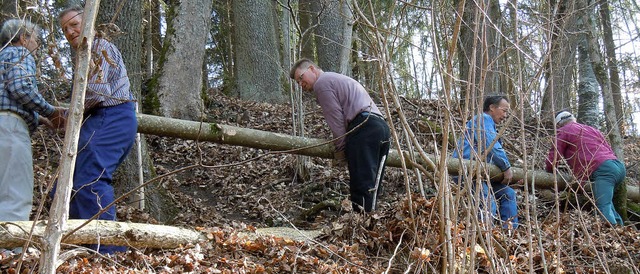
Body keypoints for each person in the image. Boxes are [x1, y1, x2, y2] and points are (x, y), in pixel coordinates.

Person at [56, 6, 137, 253]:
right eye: (65, 29)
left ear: (88, 21)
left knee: (90, 177)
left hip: (112, 115)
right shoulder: (85, 53)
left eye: (74, 24)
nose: (70, 32)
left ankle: (107, 250)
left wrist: (65, 116)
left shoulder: (98, 47)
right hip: (102, 118)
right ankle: (84, 244)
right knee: (69, 181)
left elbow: (95, 93)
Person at [290, 58, 391, 212]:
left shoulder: (322, 83)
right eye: (297, 82)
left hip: (364, 128)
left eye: (301, 78)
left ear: (312, 69)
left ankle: (361, 228)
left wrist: (341, 150)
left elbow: (336, 120)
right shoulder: (335, 79)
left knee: (361, 184)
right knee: (373, 186)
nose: (300, 84)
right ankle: (371, 225)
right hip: (381, 126)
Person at [0, 18, 65, 255]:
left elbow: (6, 96)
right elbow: (20, 88)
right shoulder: (20, 54)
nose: (37, 45)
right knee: (14, 193)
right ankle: (8, 255)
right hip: (9, 129)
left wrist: (39, 119)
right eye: (35, 39)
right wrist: (51, 112)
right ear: (23, 38)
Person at [546, 111, 625, 225]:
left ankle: (613, 235)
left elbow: (555, 155)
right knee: (607, 204)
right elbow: (608, 149)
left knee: (602, 207)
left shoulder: (563, 131)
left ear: (558, 124)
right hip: (617, 167)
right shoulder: (591, 129)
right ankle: (620, 231)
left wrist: (549, 170)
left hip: (603, 170)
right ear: (573, 119)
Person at [452, 95, 518, 229]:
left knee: (508, 193)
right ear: (492, 108)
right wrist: (506, 167)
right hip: (468, 169)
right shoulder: (482, 119)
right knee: (487, 202)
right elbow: (491, 145)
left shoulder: (489, 125)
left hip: (483, 173)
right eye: (504, 110)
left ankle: (510, 233)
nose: (505, 115)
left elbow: (490, 154)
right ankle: (483, 236)